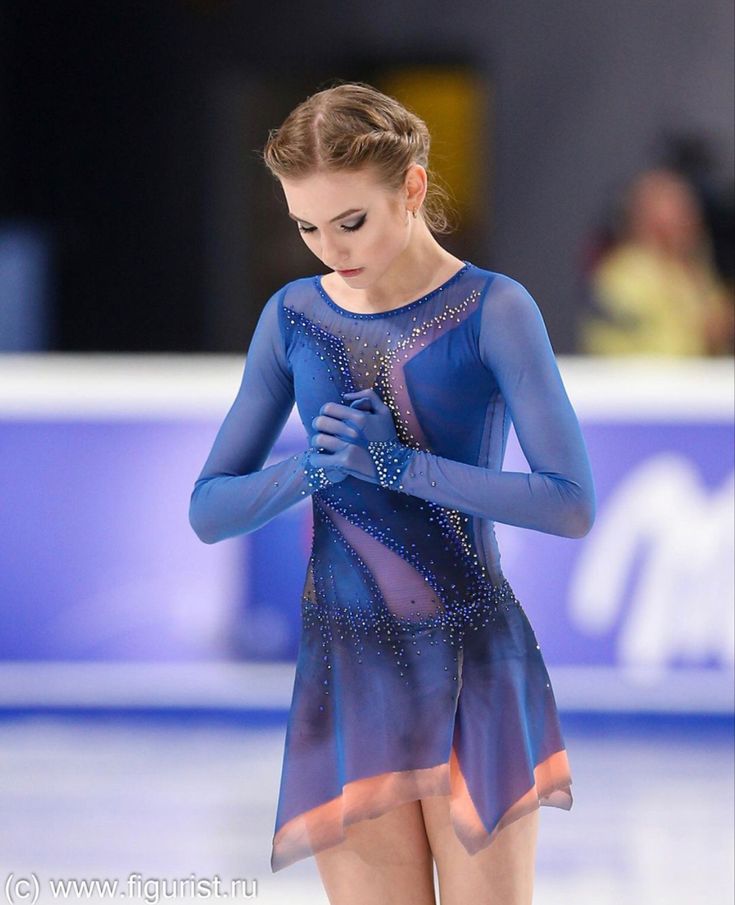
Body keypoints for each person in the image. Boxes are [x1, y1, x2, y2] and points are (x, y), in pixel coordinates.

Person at [189, 80, 596, 905]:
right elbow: (209, 508)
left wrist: (397, 467)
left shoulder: (493, 308)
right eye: (307, 227)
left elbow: (568, 501)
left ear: (409, 186)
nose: (330, 248)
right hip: (347, 672)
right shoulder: (292, 316)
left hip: (472, 664)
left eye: (351, 221)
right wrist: (315, 469)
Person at [579, 167, 734, 356]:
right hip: (633, 381)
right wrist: (703, 334)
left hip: (698, 382)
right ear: (647, 220)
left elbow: (717, 321)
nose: (689, 222)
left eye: (689, 212)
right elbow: (632, 352)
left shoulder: (693, 270)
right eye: (677, 215)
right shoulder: (623, 277)